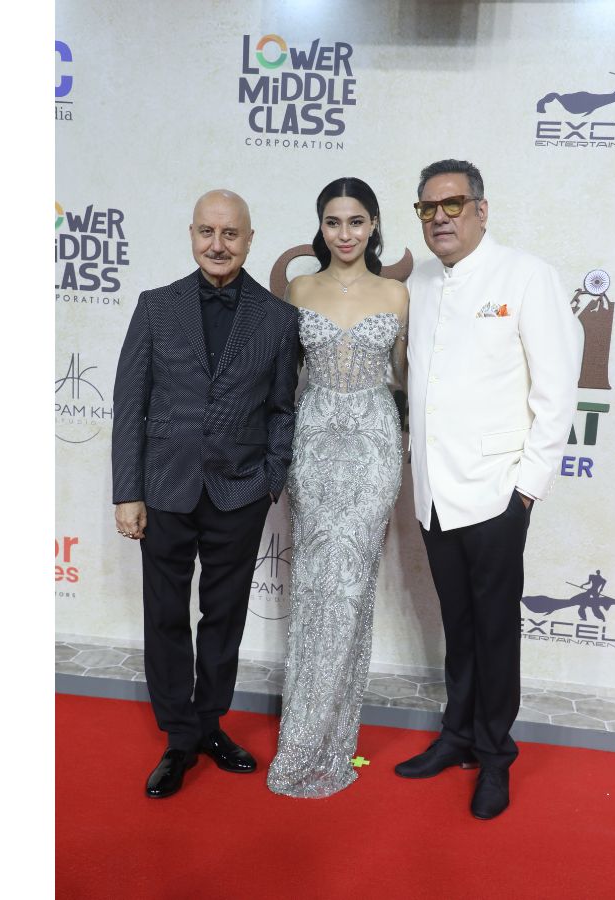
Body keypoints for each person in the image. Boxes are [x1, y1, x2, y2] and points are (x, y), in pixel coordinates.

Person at [394, 159, 583, 819]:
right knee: (459, 623)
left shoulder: (527, 276)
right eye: (427, 208)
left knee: (496, 630)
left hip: (498, 491)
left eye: (452, 204)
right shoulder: (420, 282)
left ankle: (496, 754)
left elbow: (556, 390)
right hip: (433, 492)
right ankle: (457, 735)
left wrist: (527, 489)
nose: (439, 217)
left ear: (481, 209)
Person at [112, 189, 299, 799]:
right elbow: (129, 405)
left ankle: (210, 723)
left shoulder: (277, 318)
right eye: (207, 232)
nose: (218, 245)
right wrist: (127, 492)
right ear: (192, 234)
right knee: (165, 614)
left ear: (250, 239)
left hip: (238, 493)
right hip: (165, 489)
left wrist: (269, 481)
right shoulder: (156, 306)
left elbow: (282, 410)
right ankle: (178, 737)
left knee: (224, 616)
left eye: (230, 233)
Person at [266, 177, 408, 798]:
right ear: (320, 227)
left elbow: (406, 379)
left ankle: (333, 734)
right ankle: (302, 734)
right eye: (332, 222)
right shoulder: (300, 289)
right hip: (315, 445)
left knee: (351, 589)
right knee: (314, 586)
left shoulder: (397, 294)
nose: (344, 233)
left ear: (374, 225)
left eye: (356, 221)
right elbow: (284, 378)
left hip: (374, 448)